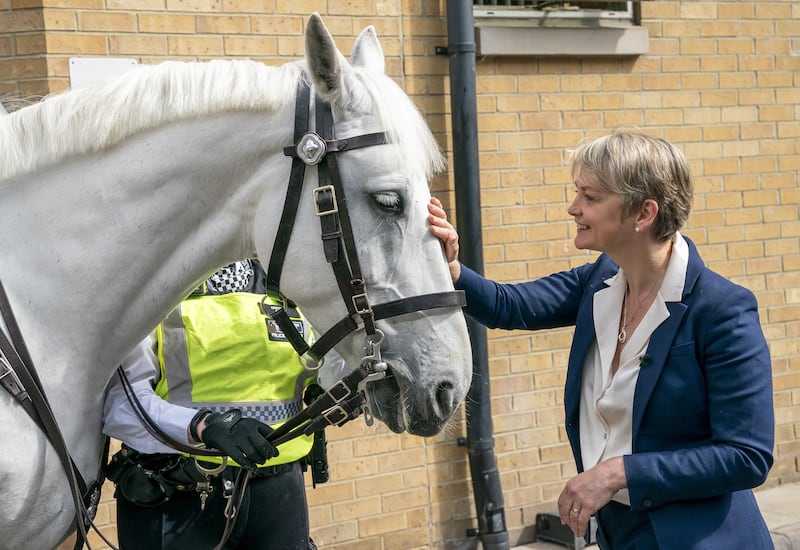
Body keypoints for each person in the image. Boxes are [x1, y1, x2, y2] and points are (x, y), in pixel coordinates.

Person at [428, 132, 775, 549]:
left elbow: (746, 456)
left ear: (643, 213)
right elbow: (509, 305)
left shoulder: (722, 310)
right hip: (617, 534)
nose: (573, 208)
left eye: (590, 197)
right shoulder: (597, 283)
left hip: (702, 539)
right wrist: (451, 268)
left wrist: (617, 473)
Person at [103, 259, 322, 550]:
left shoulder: (288, 282)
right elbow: (123, 406)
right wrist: (203, 426)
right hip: (180, 495)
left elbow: (330, 365)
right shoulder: (152, 285)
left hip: (279, 494)